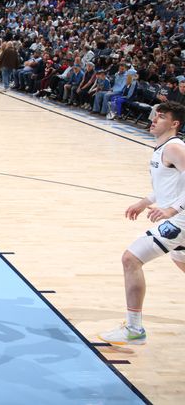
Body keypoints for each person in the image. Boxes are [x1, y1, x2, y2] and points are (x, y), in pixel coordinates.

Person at [98, 102, 185, 346]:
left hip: (180, 220)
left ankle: (134, 329)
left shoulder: (175, 147)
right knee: (182, 263)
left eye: (161, 117)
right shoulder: (163, 149)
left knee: (131, 259)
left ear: (175, 123)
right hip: (179, 219)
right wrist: (143, 201)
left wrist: (171, 209)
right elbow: (169, 188)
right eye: (155, 116)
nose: (154, 120)